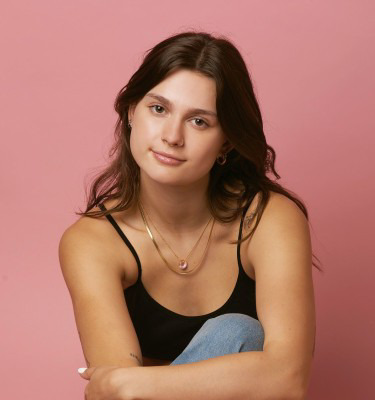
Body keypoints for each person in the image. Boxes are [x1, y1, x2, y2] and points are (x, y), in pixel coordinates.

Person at [59, 30, 321, 400]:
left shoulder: (268, 220)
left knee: (237, 332)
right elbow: (116, 396)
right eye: (159, 109)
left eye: (199, 121)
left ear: (226, 141)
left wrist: (132, 382)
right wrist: (126, 385)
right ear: (132, 111)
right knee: (239, 335)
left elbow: (288, 379)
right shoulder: (92, 241)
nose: (172, 136)